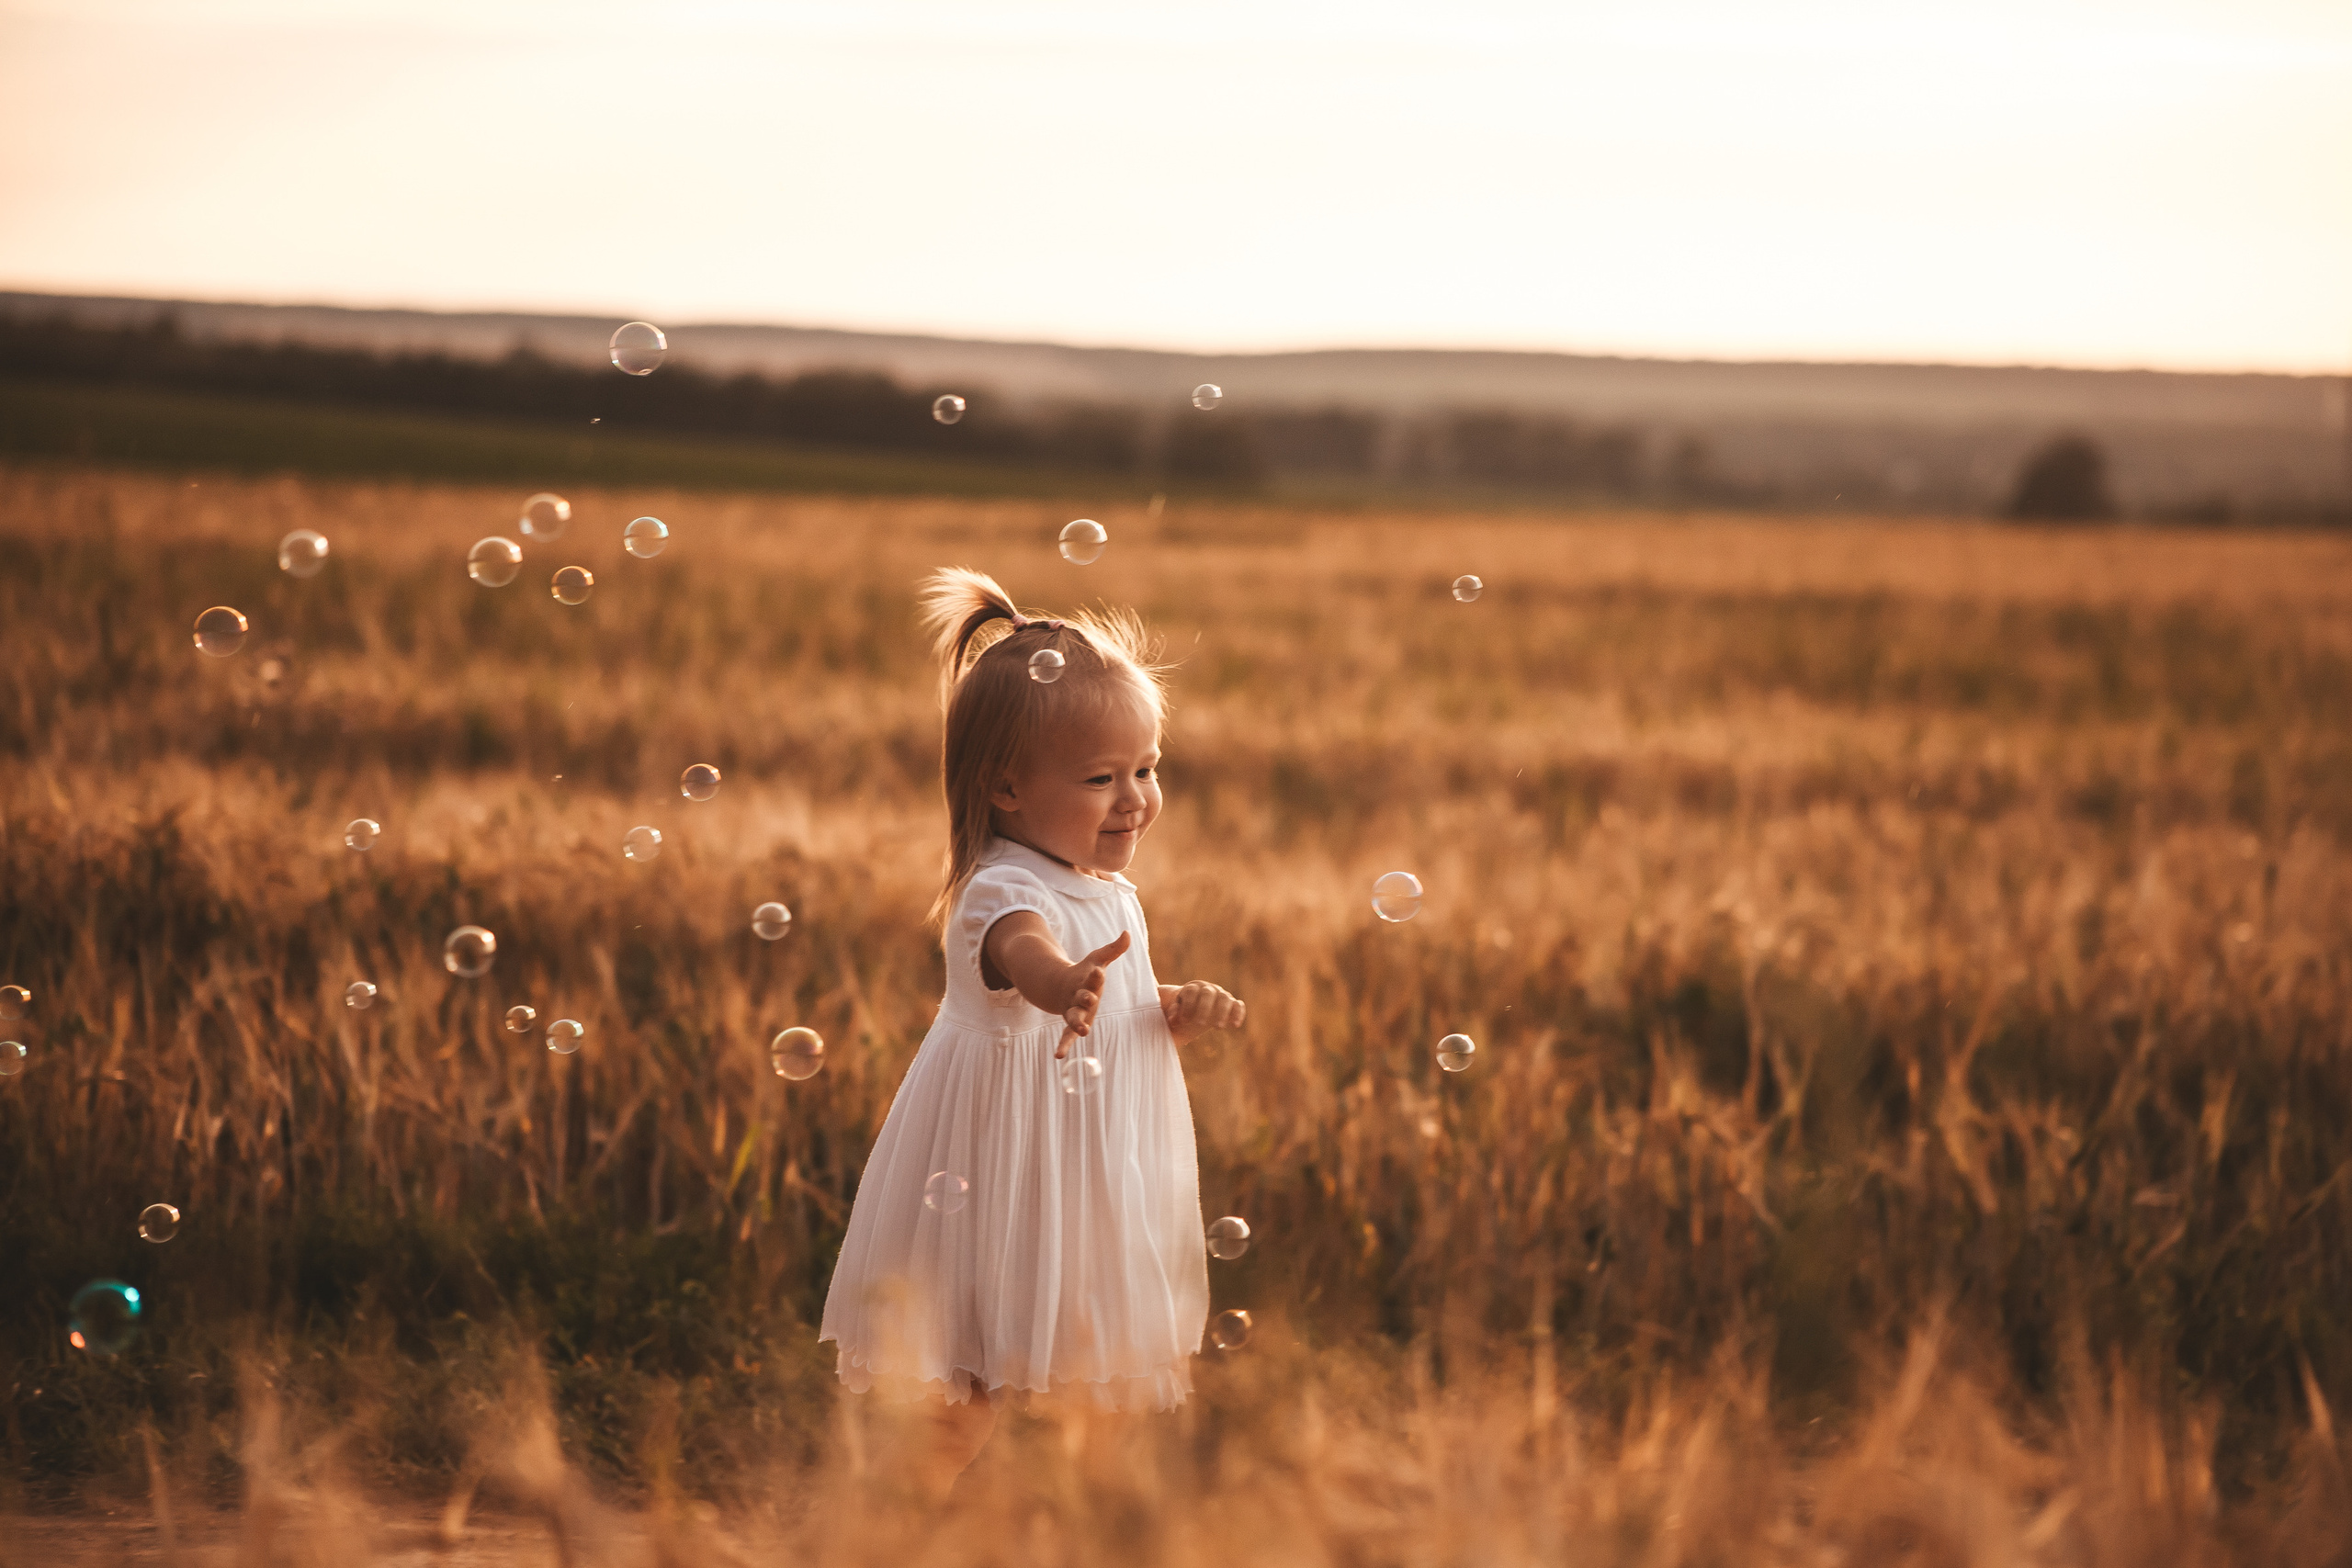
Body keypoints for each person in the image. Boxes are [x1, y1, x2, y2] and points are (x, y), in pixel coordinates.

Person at [818, 567, 1248, 1495]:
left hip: (1082, 1178)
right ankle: (868, 1539)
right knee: (956, 1402)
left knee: (1095, 1402)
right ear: (1006, 787)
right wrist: (1062, 987)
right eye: (1101, 778)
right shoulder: (1002, 888)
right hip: (997, 1175)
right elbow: (1025, 955)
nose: (1133, 797)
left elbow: (1109, 980)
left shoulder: (1105, 887)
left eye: (1147, 769)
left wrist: (1162, 1002)